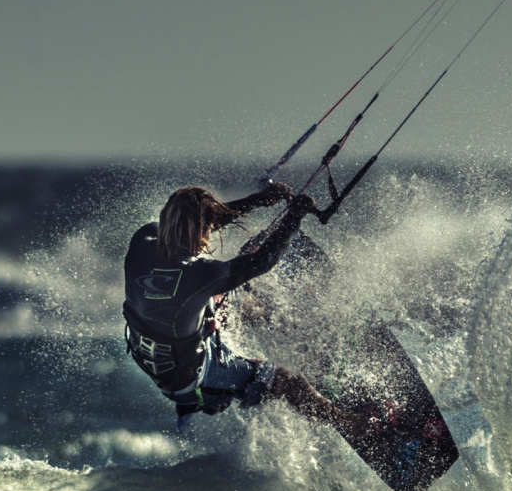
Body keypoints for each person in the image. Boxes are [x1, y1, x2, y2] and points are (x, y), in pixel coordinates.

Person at [122, 183, 373, 436]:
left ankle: (257, 335)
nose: (210, 233)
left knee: (235, 292)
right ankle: (351, 424)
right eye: (208, 227)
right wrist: (294, 216)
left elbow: (201, 225)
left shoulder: (142, 242)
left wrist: (259, 200)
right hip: (191, 380)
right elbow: (263, 260)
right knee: (287, 381)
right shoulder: (199, 275)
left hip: (157, 358)